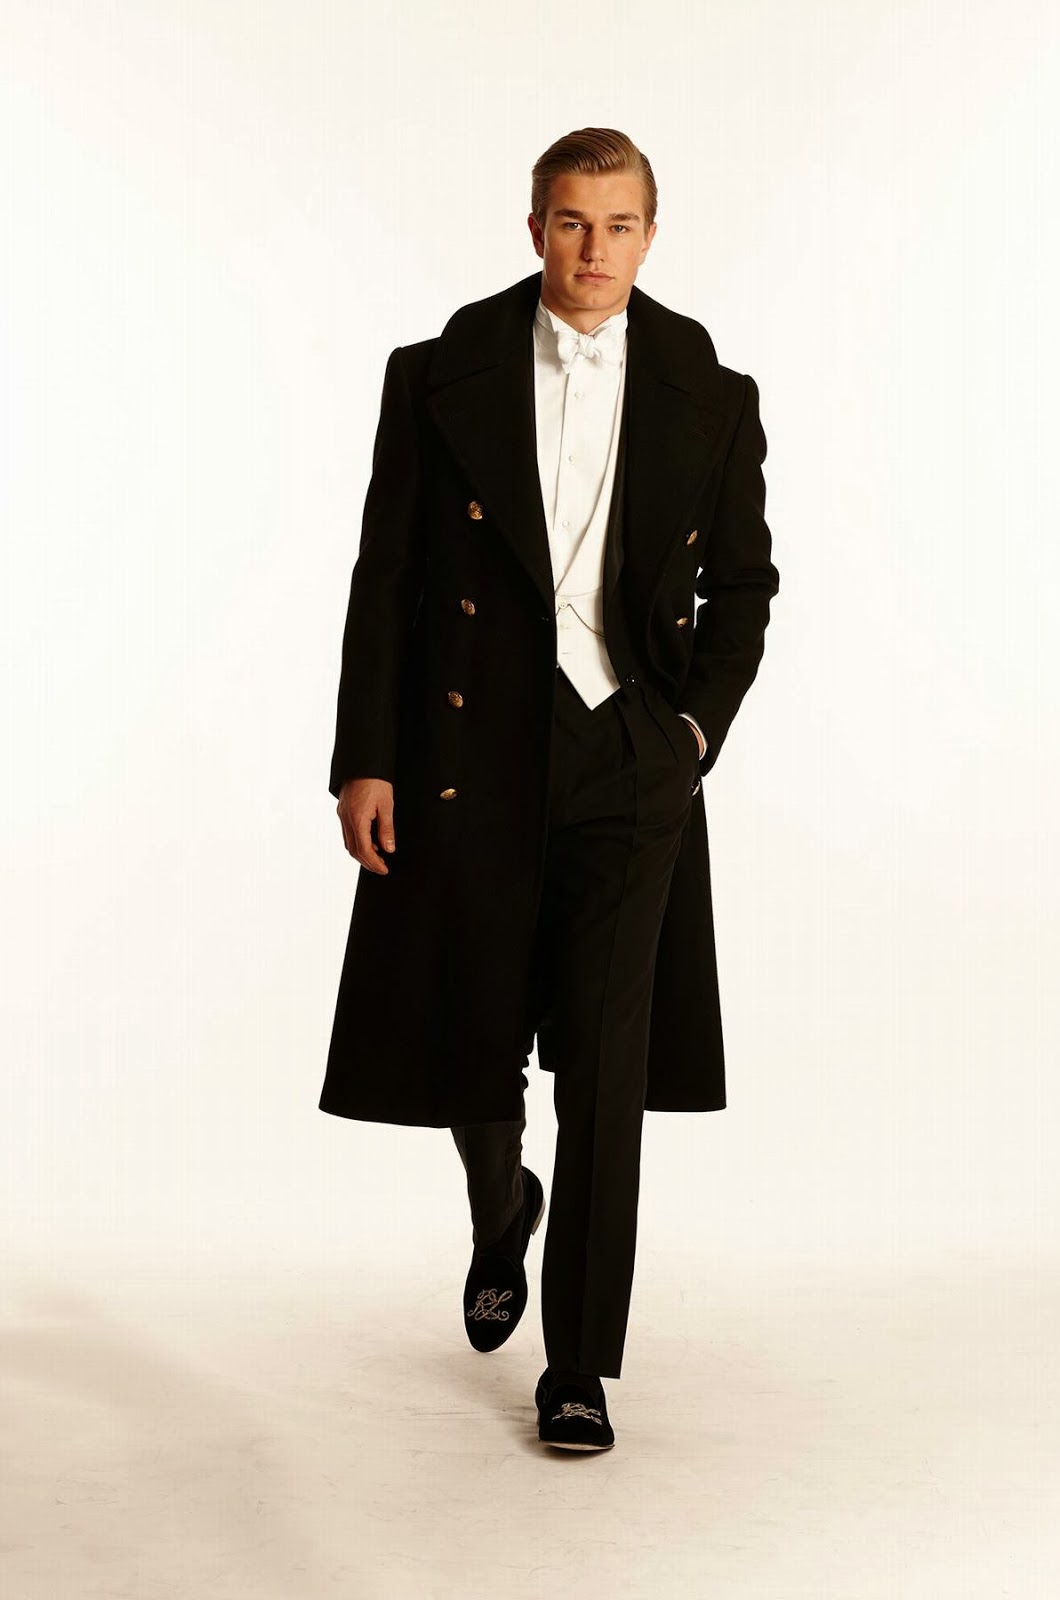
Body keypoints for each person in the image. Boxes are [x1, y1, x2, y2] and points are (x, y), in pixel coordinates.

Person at [320, 127, 778, 1452]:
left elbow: (745, 585)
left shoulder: (710, 388)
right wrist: (366, 756)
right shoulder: (437, 373)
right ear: (535, 229)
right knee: (471, 1035)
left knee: (606, 1070)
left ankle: (578, 1363)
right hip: (469, 754)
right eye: (572, 222)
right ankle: (497, 1205)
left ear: (651, 234)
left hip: (629, 756)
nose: (594, 250)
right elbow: (386, 578)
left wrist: (691, 728)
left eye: (619, 225)